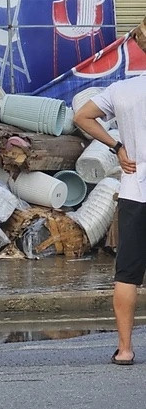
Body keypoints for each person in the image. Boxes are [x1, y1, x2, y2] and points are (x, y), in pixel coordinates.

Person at [74, 78, 145, 365]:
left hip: (135, 188)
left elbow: (81, 116)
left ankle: (125, 349)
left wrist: (117, 146)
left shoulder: (122, 90)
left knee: (127, 274)